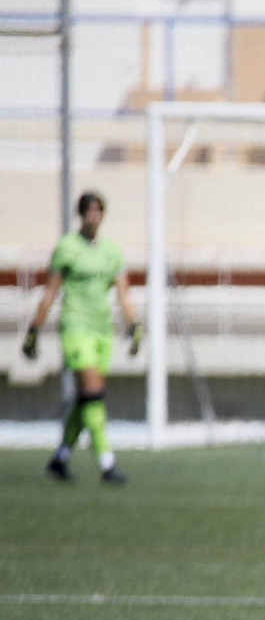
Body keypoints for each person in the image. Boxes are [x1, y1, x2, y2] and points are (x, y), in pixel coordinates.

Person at [21, 191, 142, 484]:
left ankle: (60, 458)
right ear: (81, 214)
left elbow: (123, 293)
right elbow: (50, 292)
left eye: (98, 210)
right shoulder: (67, 248)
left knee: (86, 399)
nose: (94, 216)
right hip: (76, 329)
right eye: (89, 210)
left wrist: (133, 325)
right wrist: (34, 330)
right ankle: (107, 463)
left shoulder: (111, 251)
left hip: (102, 331)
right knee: (94, 397)